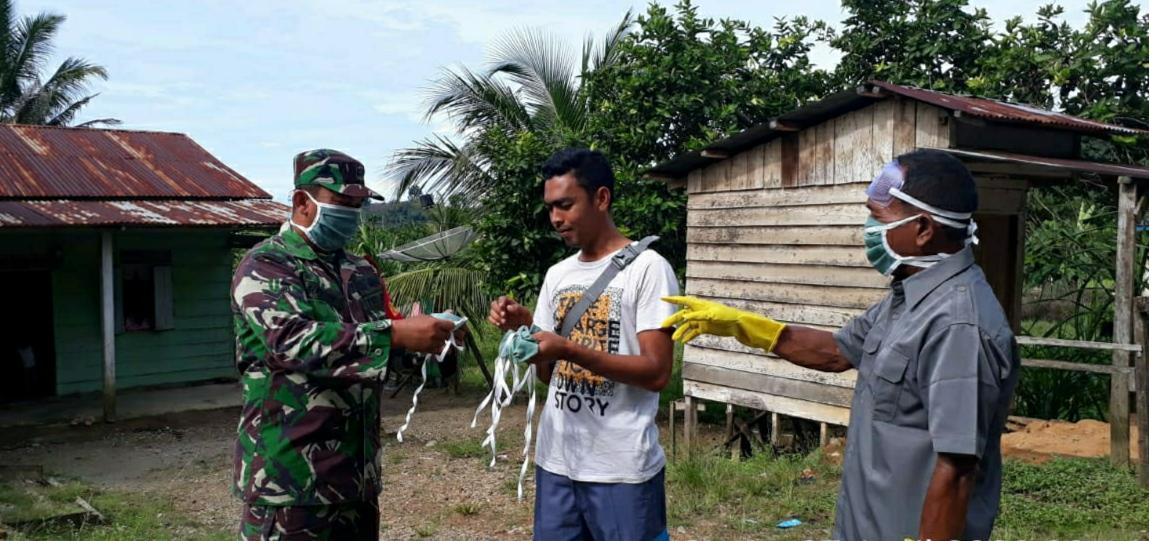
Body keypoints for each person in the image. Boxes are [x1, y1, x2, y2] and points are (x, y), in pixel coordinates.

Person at [664, 149, 1020, 541]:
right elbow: (836, 352)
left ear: (922, 229)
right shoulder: (907, 299)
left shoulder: (958, 325)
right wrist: (742, 326)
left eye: (878, 217)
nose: (868, 227)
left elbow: (957, 470)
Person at [231, 149, 457, 541]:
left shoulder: (361, 270)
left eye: (358, 205)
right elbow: (289, 341)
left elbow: (375, 353)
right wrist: (395, 334)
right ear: (303, 201)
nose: (352, 215)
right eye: (341, 204)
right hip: (289, 482)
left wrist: (433, 337)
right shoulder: (267, 265)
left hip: (356, 478)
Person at [489, 148, 678, 541]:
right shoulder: (558, 275)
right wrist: (525, 328)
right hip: (557, 462)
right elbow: (546, 375)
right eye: (550, 208)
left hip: (621, 468)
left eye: (566, 205)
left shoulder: (649, 270)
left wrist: (570, 349)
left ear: (602, 198)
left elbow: (657, 372)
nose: (556, 218)